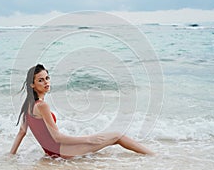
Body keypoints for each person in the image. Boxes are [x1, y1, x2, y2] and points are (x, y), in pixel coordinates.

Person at [10, 64, 154, 158]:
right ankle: (155, 156)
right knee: (117, 136)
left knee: (110, 142)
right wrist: (89, 139)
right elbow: (57, 138)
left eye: (47, 78)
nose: (46, 82)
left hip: (52, 153)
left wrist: (11, 156)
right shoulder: (42, 106)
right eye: (41, 80)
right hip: (61, 152)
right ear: (32, 84)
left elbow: (22, 132)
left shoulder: (28, 105)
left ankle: (151, 155)